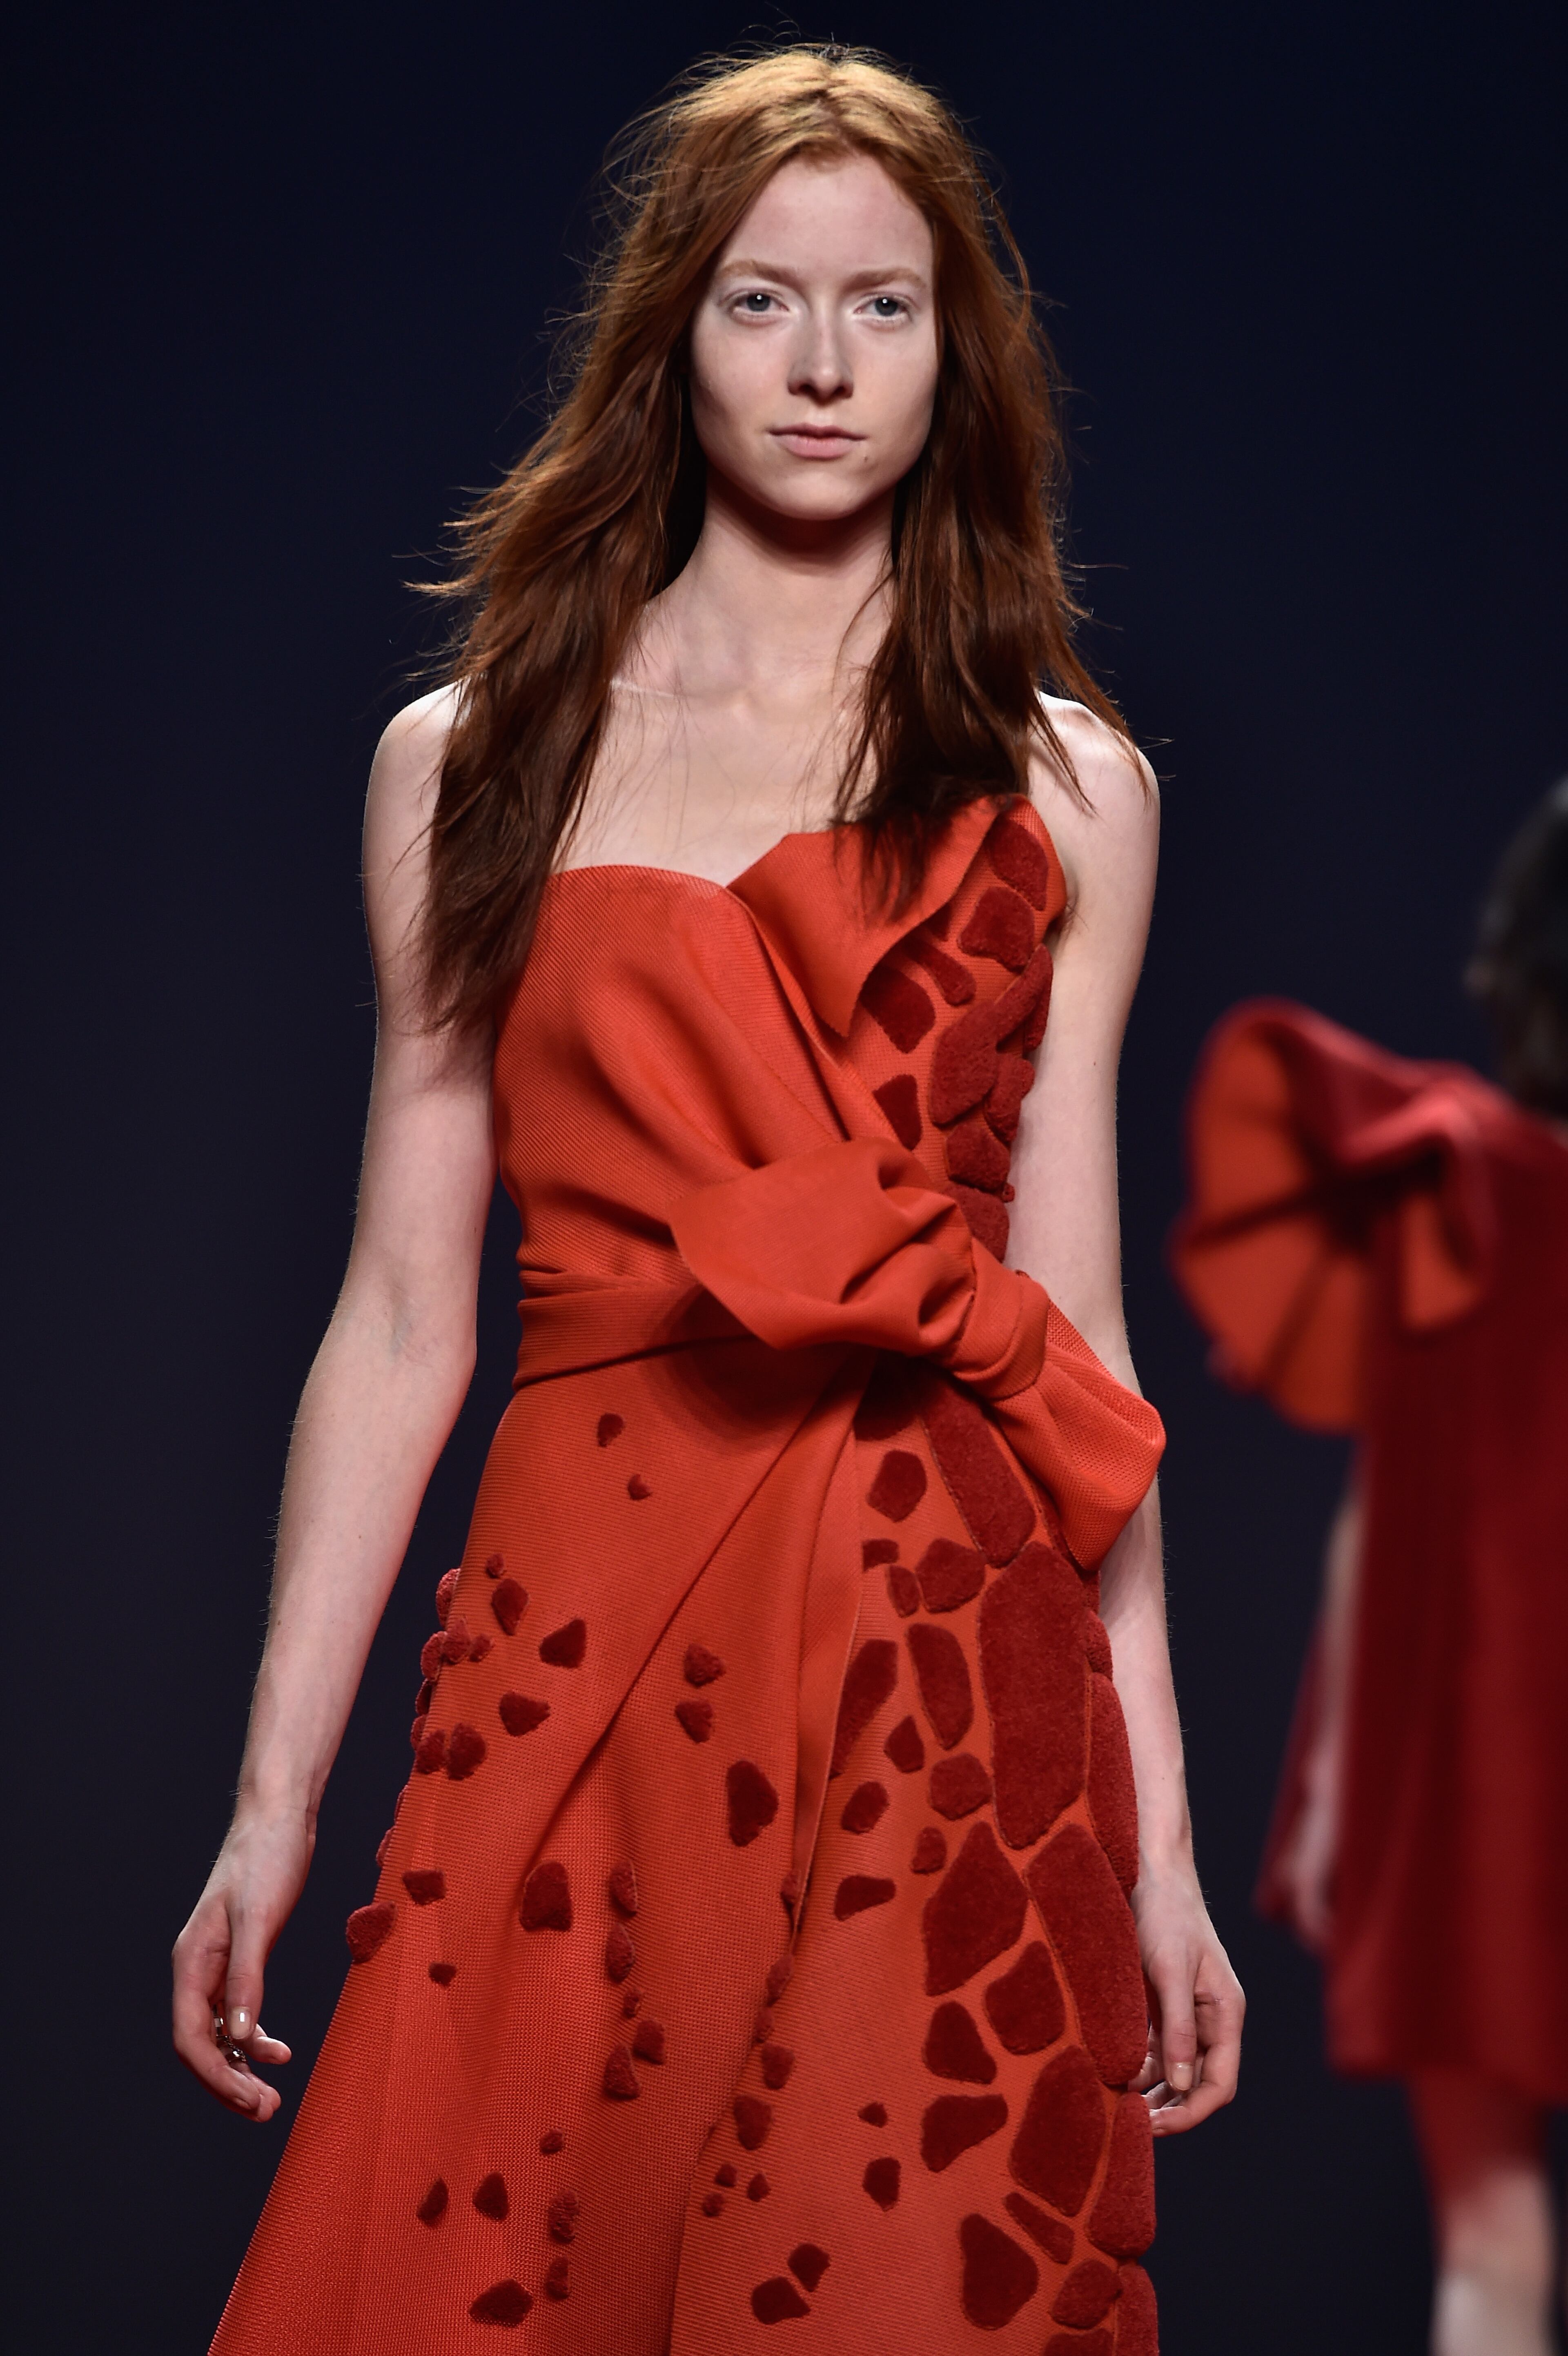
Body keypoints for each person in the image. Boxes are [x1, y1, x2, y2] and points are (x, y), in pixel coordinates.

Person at [175, 46, 1242, 2353]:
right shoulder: (475, 760)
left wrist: (1156, 1837)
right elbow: (398, 1313)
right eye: (765, 301)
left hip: (940, 1652)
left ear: (962, 349)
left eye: (885, 305)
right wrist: (275, 1798)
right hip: (587, 1622)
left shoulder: (1075, 788)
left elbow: (1072, 1337)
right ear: (670, 331)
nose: (827, 366)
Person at [1172, 781, 1568, 2356]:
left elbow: (1384, 1493)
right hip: (1481, 1745)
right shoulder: (1458, 1168)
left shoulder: (1453, 1167)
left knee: (1486, 2223)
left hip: (1483, 1758)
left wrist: (1338, 1785)